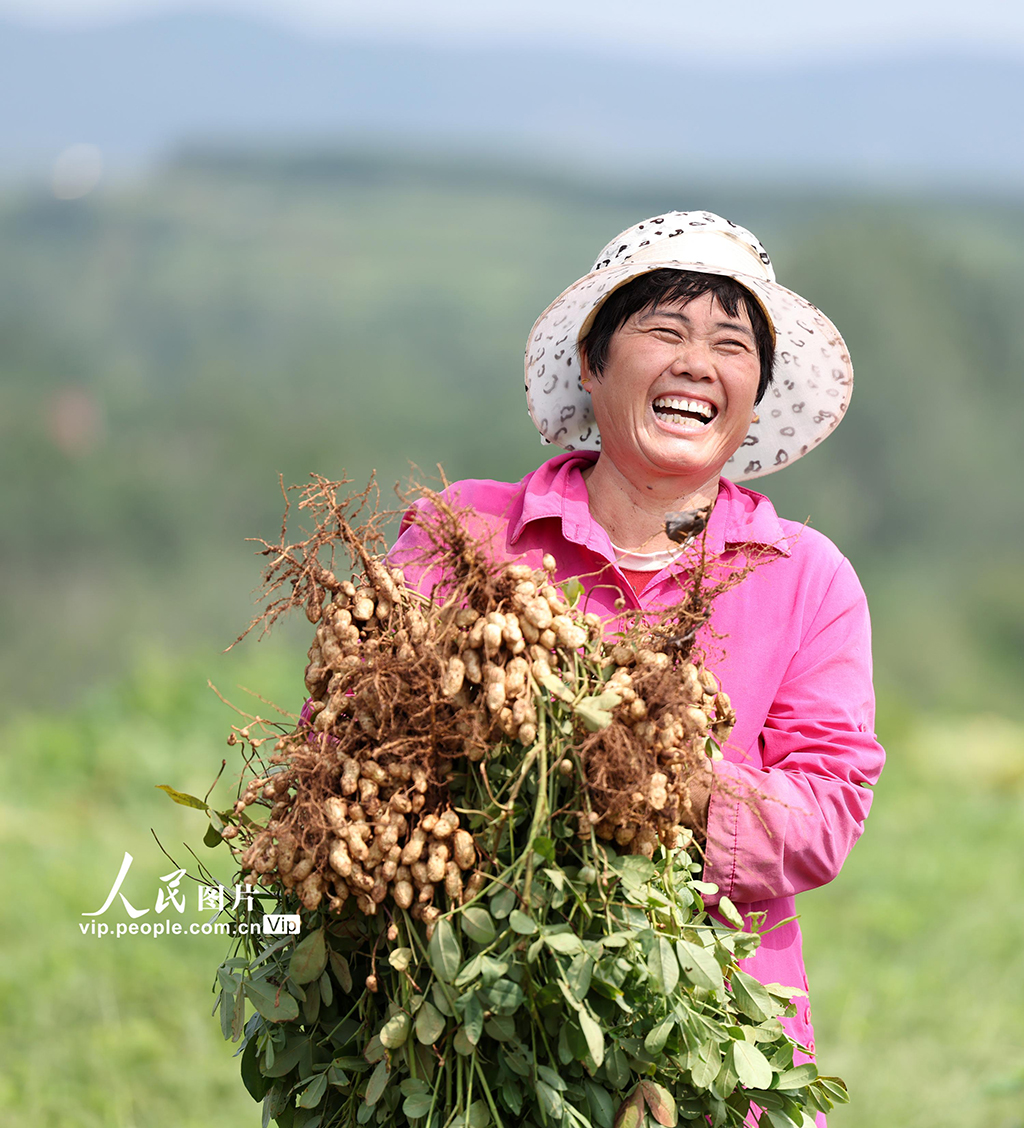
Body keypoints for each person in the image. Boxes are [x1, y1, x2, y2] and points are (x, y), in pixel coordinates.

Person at [391, 210, 885, 1076]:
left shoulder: (806, 578)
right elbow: (354, 736)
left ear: (756, 388)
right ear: (592, 360)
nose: (698, 363)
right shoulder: (462, 533)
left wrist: (651, 775)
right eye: (665, 330)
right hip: (473, 1034)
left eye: (732, 345)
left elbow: (824, 817)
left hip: (707, 1039)